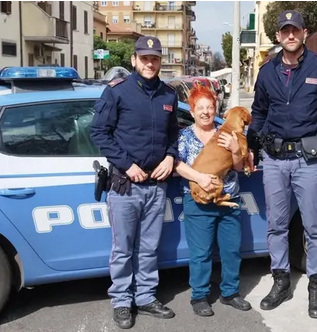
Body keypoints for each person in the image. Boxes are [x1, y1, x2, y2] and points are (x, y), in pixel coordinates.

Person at [246, 10, 317, 319]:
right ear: (278, 36)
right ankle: (281, 281)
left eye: (295, 30)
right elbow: (259, 114)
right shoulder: (267, 71)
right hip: (275, 161)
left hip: (310, 162)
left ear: (305, 33)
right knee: (276, 225)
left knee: (314, 228)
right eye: (285, 30)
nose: (290, 35)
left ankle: (316, 286)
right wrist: (252, 149)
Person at [90, 36, 179, 329]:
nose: (150, 63)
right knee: (123, 248)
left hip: (157, 185)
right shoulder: (117, 93)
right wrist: (127, 165)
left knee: (149, 247)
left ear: (160, 61)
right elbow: (99, 133)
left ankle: (145, 296)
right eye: (144, 58)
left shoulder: (169, 95)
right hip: (125, 186)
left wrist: (170, 156)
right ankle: (121, 301)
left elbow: (174, 136)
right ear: (134, 60)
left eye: (154, 58)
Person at [175, 83, 252, 317]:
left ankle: (230, 292)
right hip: (197, 201)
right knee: (201, 253)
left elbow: (238, 167)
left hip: (229, 196)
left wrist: (236, 150)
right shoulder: (184, 136)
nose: (206, 112)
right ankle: (199, 296)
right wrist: (200, 178)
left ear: (215, 110)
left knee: (231, 250)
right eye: (200, 108)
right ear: (192, 111)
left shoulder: (227, 131)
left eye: (210, 107)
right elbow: (177, 165)